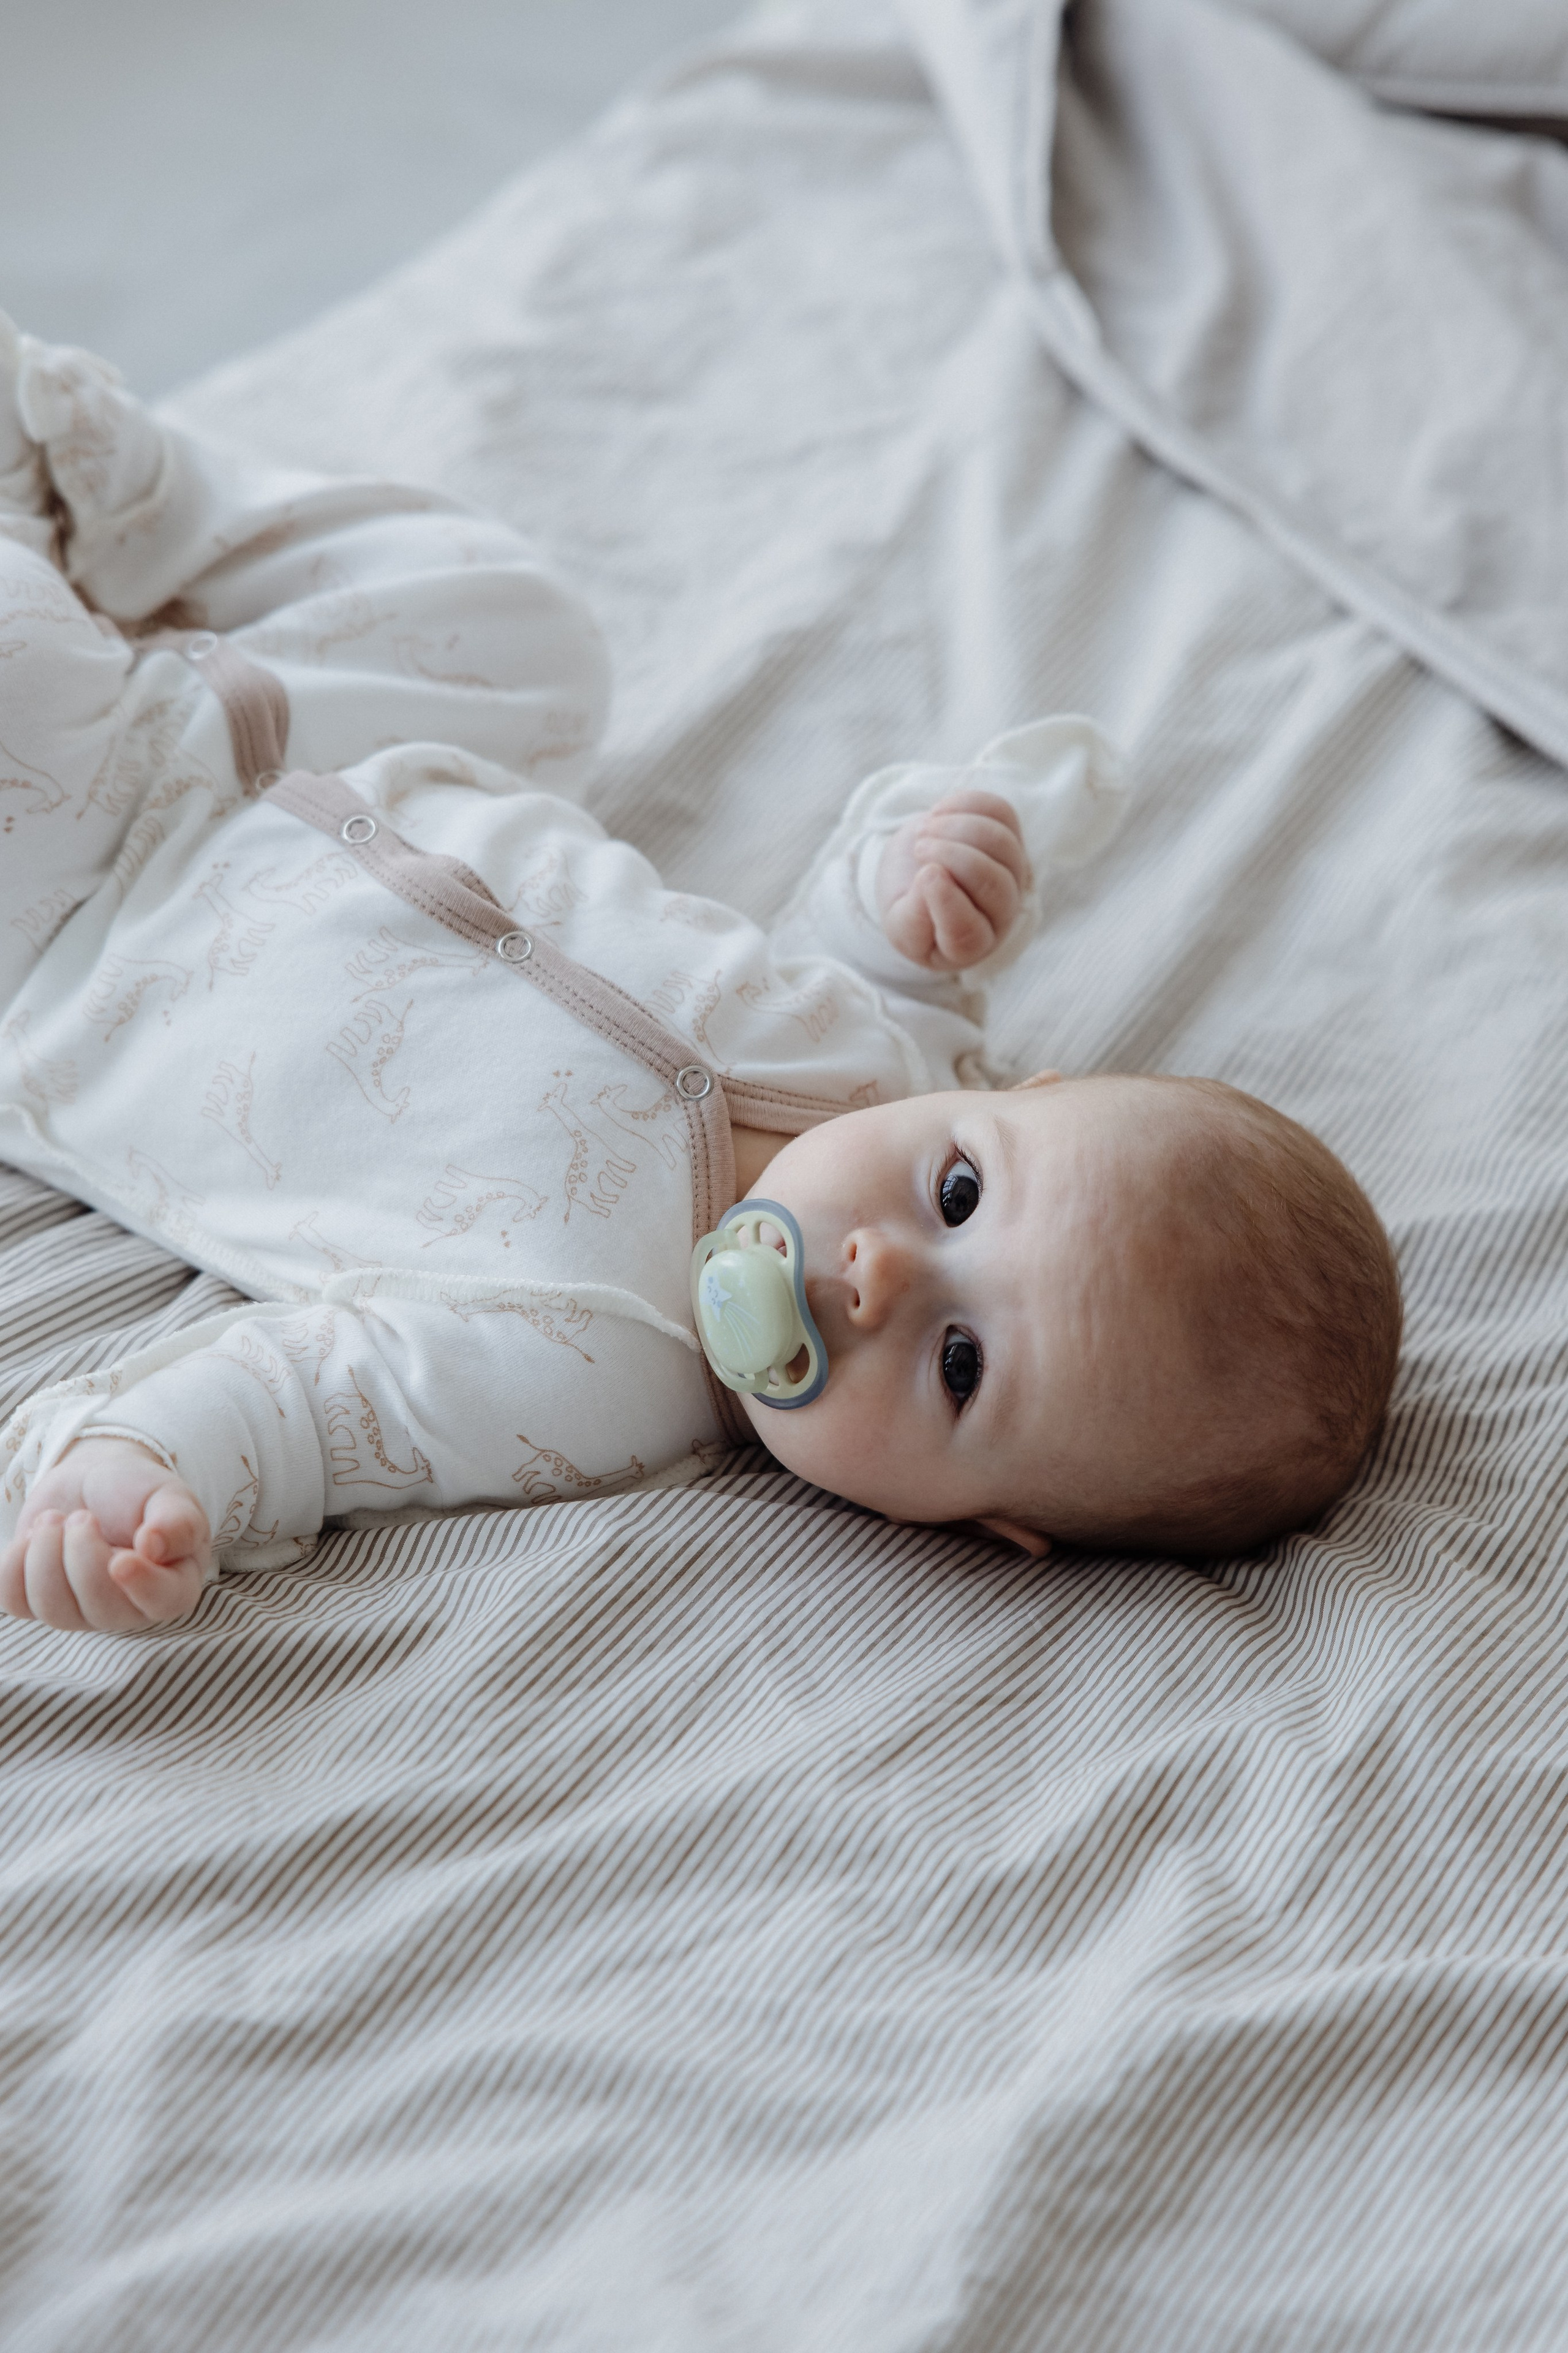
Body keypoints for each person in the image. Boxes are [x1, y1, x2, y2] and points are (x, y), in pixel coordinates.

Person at [0, 321, 1401, 1634]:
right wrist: (920, 874)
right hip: (335, 733)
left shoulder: (598, 1379)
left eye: (959, 1366)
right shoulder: (885, 1057)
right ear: (1026, 1096)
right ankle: (134, 487)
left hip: (89, 937)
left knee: (22, 665)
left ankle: (47, 522)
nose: (879, 1274)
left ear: (985, 1526)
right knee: (530, 637)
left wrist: (148, 1463)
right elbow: (852, 940)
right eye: (961, 1193)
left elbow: (325, 1398)